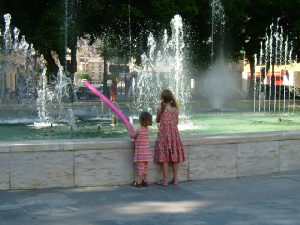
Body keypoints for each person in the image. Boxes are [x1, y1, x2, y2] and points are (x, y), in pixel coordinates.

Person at [155, 89, 185, 186]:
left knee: (165, 158)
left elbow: (157, 120)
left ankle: (165, 180)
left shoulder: (161, 109)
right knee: (174, 157)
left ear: (162, 98)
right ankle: (175, 179)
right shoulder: (176, 110)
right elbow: (176, 122)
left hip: (164, 136)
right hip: (174, 136)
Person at [126, 112, 153, 187]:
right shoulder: (147, 130)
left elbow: (132, 136)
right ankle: (146, 181)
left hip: (141, 154)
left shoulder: (139, 129)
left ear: (140, 120)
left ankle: (139, 182)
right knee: (145, 167)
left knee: (140, 168)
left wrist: (128, 129)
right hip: (147, 153)